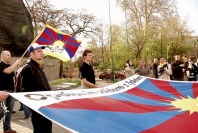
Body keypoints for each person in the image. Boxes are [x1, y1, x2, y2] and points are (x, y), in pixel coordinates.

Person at [21, 43, 52, 133]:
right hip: (38, 106)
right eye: (38, 51)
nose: (41, 53)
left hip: (46, 104)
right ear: (32, 54)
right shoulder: (28, 68)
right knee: (40, 129)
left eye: (42, 51)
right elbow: (25, 90)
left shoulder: (38, 66)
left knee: (47, 127)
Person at [0, 50, 21, 133]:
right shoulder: (0, 65)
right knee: (1, 111)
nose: (10, 56)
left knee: (10, 110)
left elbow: (14, 76)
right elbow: (7, 71)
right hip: (2, 91)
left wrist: (19, 67)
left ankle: (7, 128)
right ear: (2, 56)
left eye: (10, 55)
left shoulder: (10, 66)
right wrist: (16, 63)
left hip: (11, 90)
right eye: (8, 55)